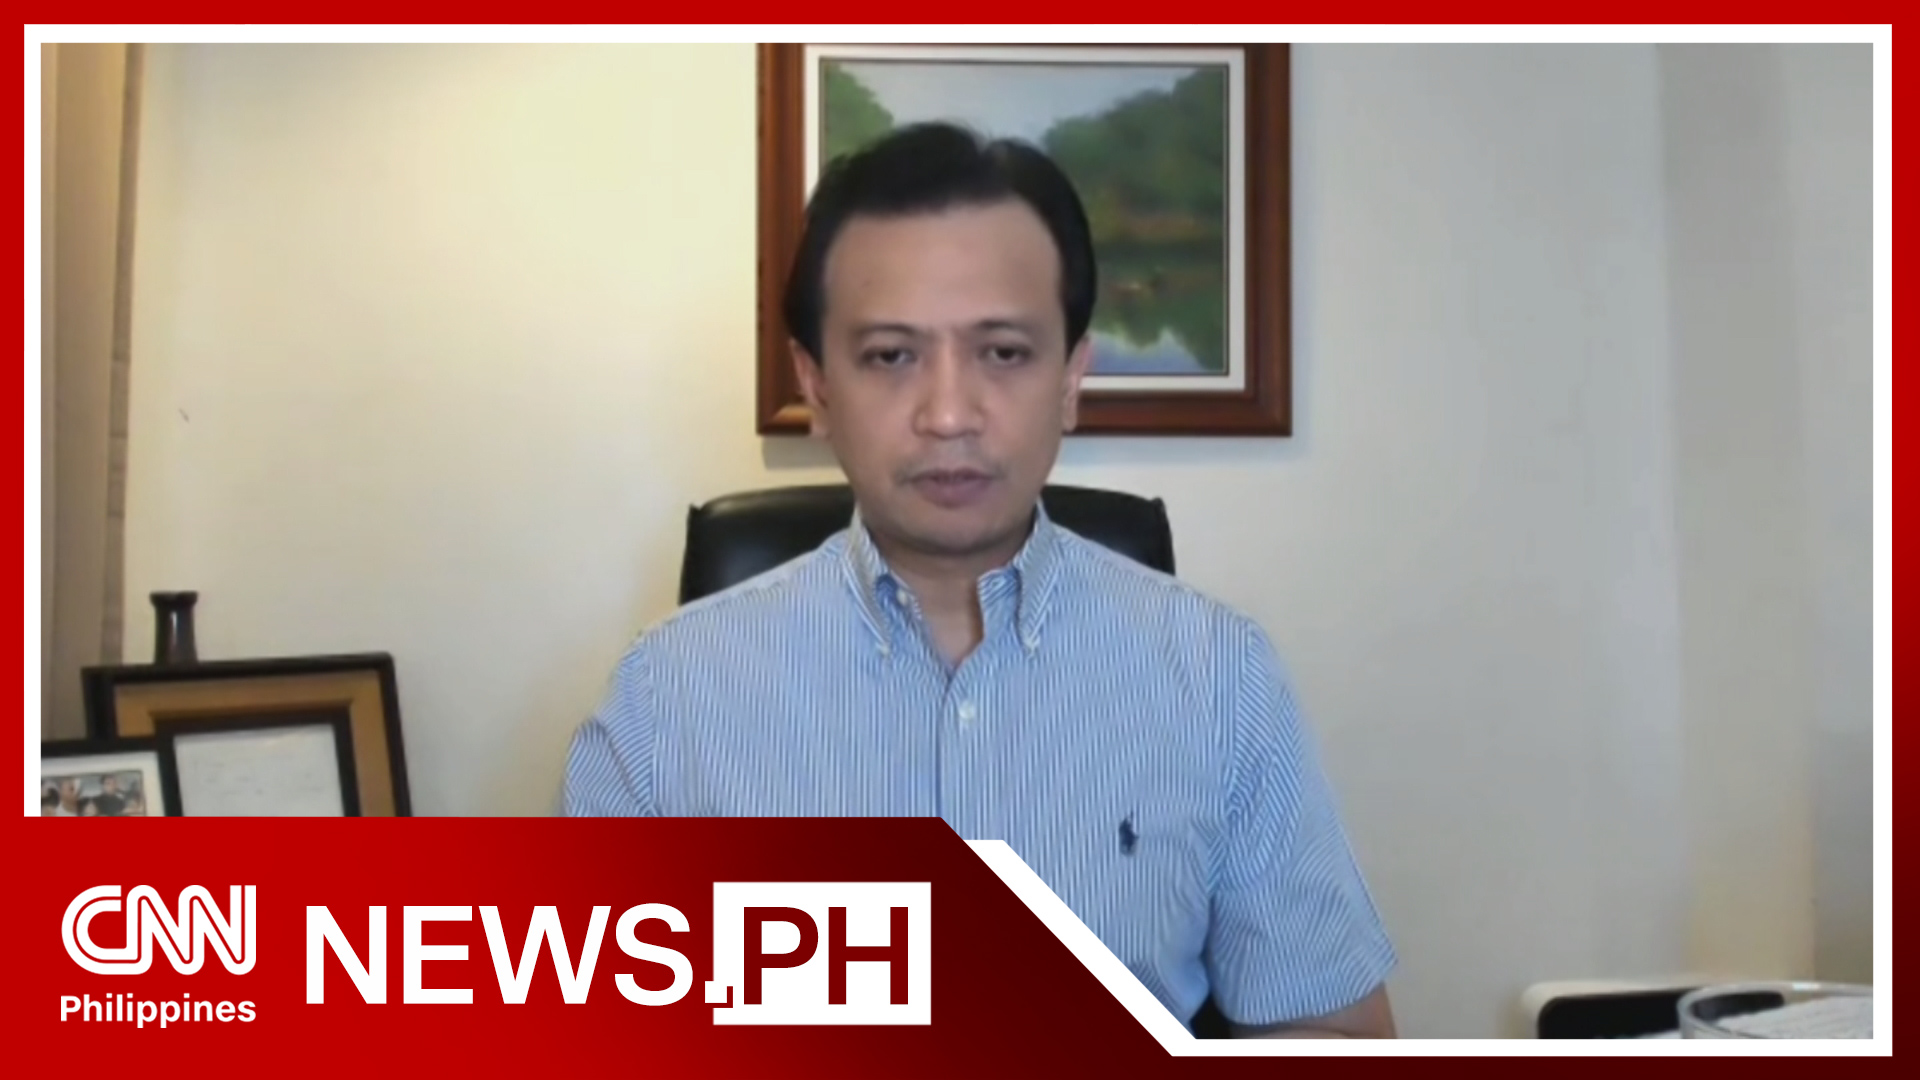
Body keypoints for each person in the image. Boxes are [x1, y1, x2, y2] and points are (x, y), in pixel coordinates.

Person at [563, 122, 1397, 1038]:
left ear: (1071, 378)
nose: (949, 414)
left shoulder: (1220, 677)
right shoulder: (667, 699)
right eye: (891, 356)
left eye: (1003, 352)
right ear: (818, 385)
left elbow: (1333, 1030)